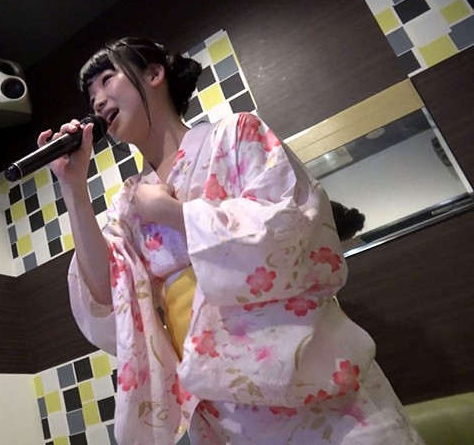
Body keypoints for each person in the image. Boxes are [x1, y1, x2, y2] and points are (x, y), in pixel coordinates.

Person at [38, 37, 422, 444]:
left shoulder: (237, 134)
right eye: (90, 95)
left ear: (154, 73)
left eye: (106, 79)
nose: (97, 101)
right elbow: (106, 292)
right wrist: (74, 187)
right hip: (222, 404)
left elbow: (291, 226)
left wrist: (175, 213)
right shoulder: (129, 203)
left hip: (308, 377)